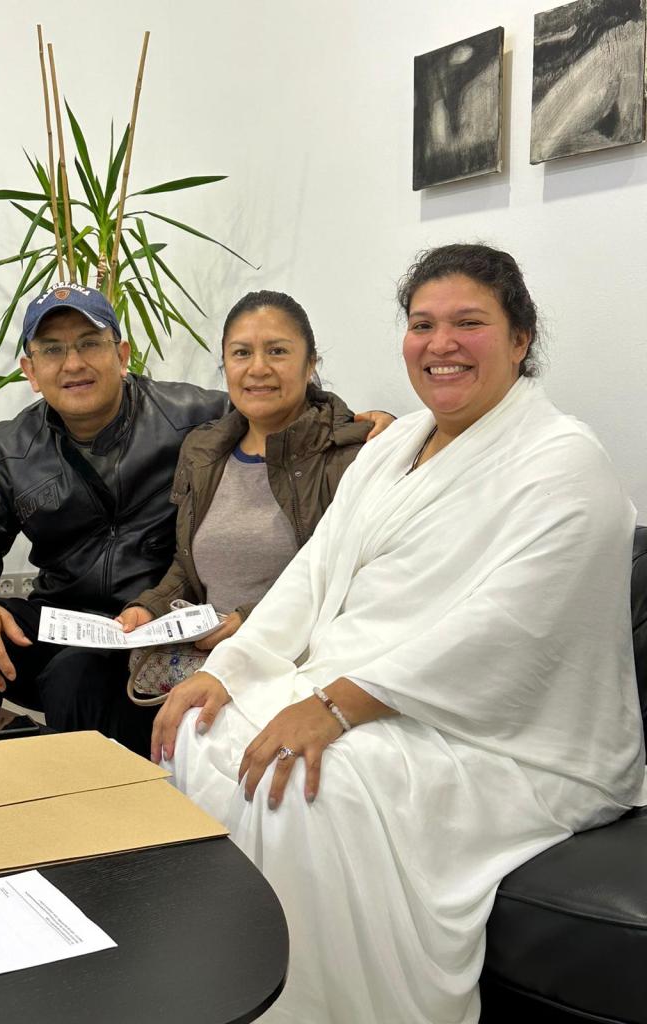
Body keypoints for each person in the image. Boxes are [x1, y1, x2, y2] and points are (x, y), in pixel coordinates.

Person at [150, 244, 647, 1023]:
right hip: (367, 687)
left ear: (521, 339)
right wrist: (233, 668)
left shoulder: (563, 463)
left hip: (504, 732)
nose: (440, 344)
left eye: (469, 323)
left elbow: (510, 629)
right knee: (197, 730)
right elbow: (314, 574)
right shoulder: (392, 447)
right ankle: (220, 999)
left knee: (307, 787)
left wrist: (341, 705)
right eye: (423, 324)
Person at [0, 283, 391, 754]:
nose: (73, 363)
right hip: (65, 619)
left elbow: (273, 400)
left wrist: (368, 425)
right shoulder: (7, 449)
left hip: (149, 626)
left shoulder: (195, 419)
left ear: (122, 356)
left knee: (73, 676)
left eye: (89, 344)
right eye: (53, 350)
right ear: (30, 370)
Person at [118, 291, 374, 671]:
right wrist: (150, 606)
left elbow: (350, 580)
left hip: (295, 663)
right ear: (224, 366)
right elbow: (187, 565)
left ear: (310, 365)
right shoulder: (202, 449)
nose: (258, 368)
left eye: (277, 351)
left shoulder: (349, 454)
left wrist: (251, 620)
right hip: (208, 657)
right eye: (241, 353)